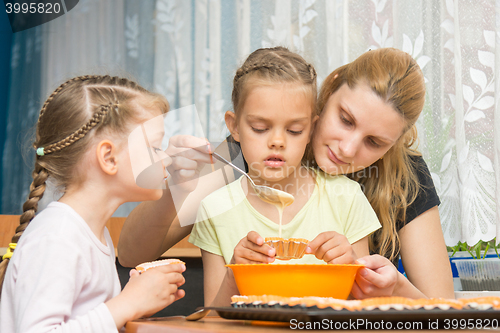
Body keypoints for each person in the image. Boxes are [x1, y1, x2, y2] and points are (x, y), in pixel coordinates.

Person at [118, 48, 454, 300]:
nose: (348, 149)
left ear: (395, 142)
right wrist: (178, 186)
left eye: (375, 142)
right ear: (331, 89)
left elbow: (443, 314)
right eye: (346, 119)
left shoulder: (404, 177)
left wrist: (393, 283)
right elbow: (131, 254)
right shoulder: (252, 153)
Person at [187, 47, 381, 306]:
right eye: (260, 128)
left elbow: (364, 308)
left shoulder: (346, 198)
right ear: (234, 126)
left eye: (294, 130)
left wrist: (349, 267)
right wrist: (235, 274)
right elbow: (212, 320)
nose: (277, 141)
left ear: (312, 129)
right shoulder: (215, 210)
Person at [0, 75, 186, 332]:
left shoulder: (93, 234)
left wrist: (139, 304)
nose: (166, 159)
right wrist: (127, 304)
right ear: (108, 158)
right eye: (155, 148)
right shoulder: (57, 237)